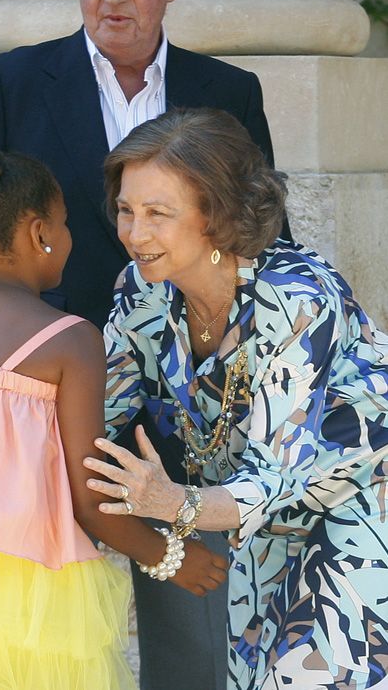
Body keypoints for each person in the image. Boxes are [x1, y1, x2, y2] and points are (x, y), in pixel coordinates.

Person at [0, 0, 285, 690]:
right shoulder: (16, 82)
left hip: (185, 411)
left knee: (190, 627)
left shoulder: (228, 91)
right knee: (36, 628)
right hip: (43, 405)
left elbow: (263, 244)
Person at [0, 141, 227, 690]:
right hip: (31, 586)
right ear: (38, 233)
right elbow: (89, 497)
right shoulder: (70, 341)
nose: (69, 237)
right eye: (65, 223)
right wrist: (172, 558)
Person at [84, 107, 388, 690]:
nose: (134, 233)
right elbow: (96, 412)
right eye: (125, 210)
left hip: (358, 510)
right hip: (260, 531)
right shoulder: (141, 294)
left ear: (216, 217)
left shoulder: (298, 298)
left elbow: (277, 473)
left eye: (157, 214)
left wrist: (174, 503)